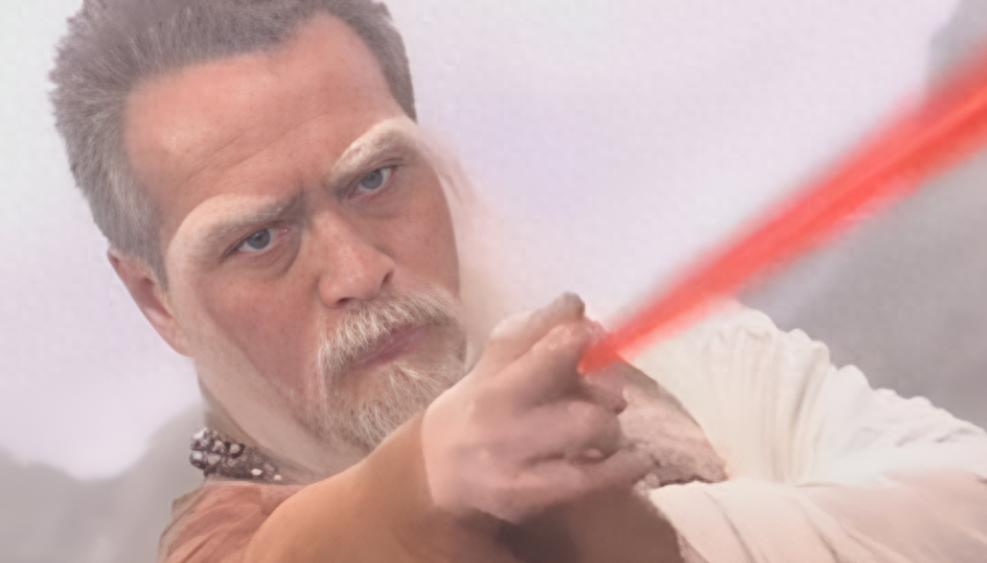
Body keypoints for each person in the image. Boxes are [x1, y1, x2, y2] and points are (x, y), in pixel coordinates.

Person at [50, 1, 987, 561]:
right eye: (259, 240)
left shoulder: (672, 354)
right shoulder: (231, 539)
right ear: (158, 301)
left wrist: (651, 535)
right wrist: (422, 488)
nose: (356, 270)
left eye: (375, 179)